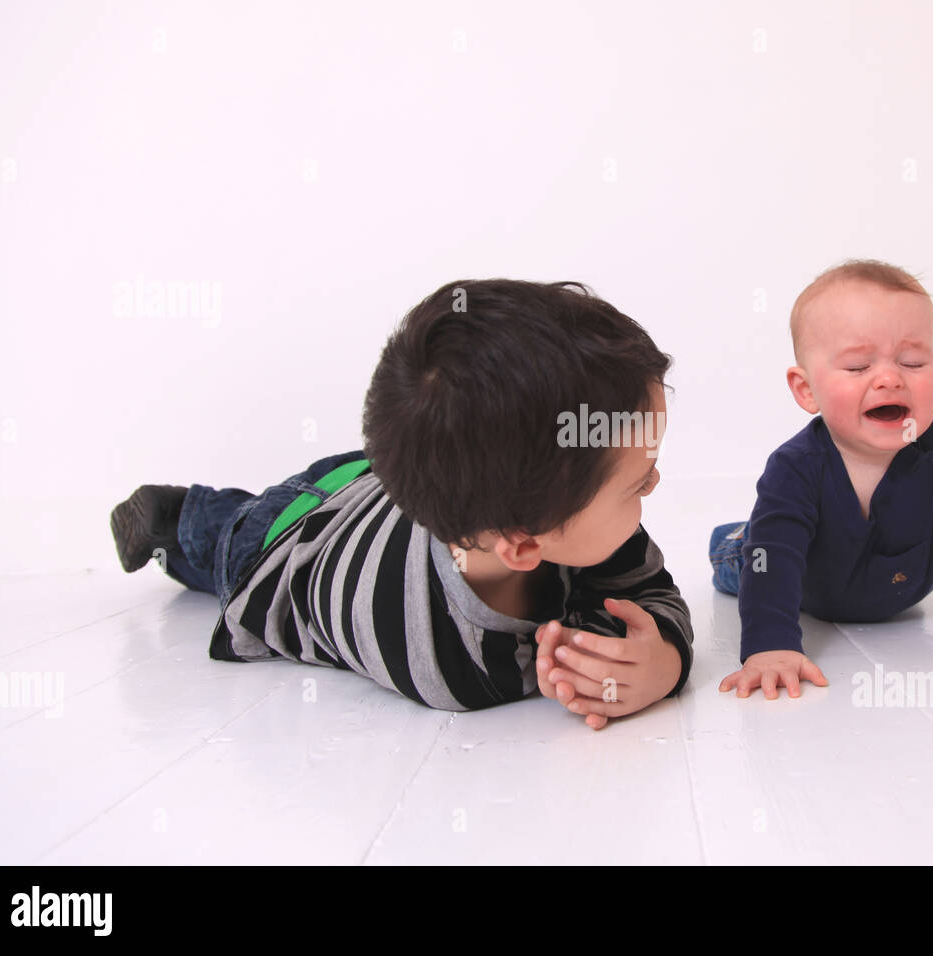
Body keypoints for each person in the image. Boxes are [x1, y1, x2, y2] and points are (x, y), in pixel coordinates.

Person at [111, 279, 693, 730]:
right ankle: (177, 516)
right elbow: (582, 651)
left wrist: (662, 662)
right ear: (524, 545)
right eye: (638, 482)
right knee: (223, 539)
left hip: (369, 481)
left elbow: (647, 594)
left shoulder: (538, 510)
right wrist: (601, 671)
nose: (655, 482)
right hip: (280, 545)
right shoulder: (451, 663)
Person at [709, 259, 933, 701]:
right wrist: (771, 645)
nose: (889, 378)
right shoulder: (794, 468)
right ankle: (730, 542)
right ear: (806, 389)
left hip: (889, 588)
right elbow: (771, 561)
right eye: (857, 367)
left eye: (912, 361)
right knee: (753, 547)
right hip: (781, 567)